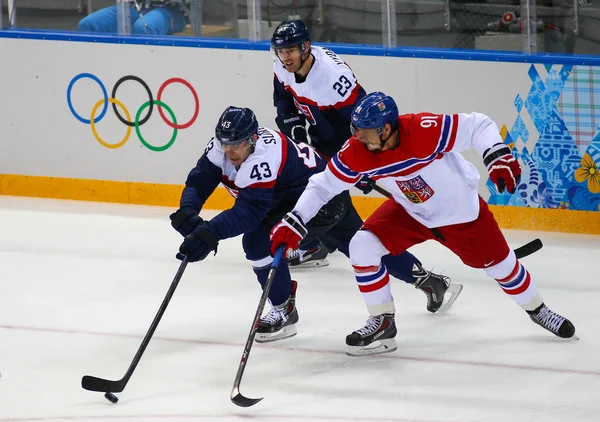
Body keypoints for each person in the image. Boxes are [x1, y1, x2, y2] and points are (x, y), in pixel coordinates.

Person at [270, 92, 577, 356]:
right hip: (411, 212)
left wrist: (497, 156)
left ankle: (539, 310)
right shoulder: (357, 151)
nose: (357, 137)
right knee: (362, 245)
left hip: (461, 217)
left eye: (365, 131)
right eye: (356, 130)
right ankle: (383, 322)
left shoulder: (423, 129)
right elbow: (323, 186)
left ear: (387, 128)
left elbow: (478, 124)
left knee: (503, 268)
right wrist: (294, 222)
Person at [170, 106, 459, 343]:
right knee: (360, 246)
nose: (230, 151)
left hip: (320, 200)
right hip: (304, 196)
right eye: (226, 143)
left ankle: (283, 310)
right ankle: (429, 281)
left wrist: (208, 233)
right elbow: (200, 179)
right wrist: (189, 210)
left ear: (254, 138)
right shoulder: (220, 147)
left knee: (258, 241)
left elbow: (249, 213)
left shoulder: (263, 157)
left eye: (238, 144)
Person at [271, 19, 376, 268]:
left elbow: (364, 121)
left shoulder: (333, 78)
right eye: (281, 51)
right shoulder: (281, 65)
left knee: (327, 193)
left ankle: (359, 246)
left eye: (291, 50)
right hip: (320, 137)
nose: (285, 57)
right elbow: (284, 99)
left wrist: (362, 162)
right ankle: (324, 244)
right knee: (322, 191)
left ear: (306, 47)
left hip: (345, 140)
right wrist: (294, 128)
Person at [78, 1, 187, 35]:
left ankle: (145, 76)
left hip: (170, 9)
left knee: (143, 28)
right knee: (87, 25)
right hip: (132, 7)